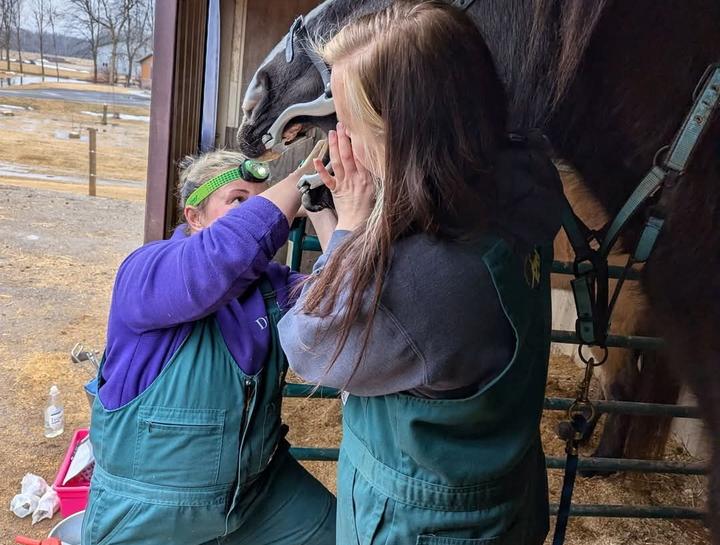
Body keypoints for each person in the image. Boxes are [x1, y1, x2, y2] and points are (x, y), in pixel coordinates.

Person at [278, 2, 564, 544]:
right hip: (502, 501)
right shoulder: (524, 178)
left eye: (349, 123)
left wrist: (353, 223)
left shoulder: (418, 283)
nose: (343, 139)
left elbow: (308, 345)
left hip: (422, 524)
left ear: (402, 135)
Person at [81, 145, 337, 545]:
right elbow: (223, 257)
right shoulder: (148, 269)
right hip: (148, 510)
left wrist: (320, 202)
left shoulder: (274, 284)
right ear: (194, 217)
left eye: (263, 202)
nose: (266, 214)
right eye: (238, 201)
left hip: (258, 493)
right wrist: (294, 179)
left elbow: (342, 301)